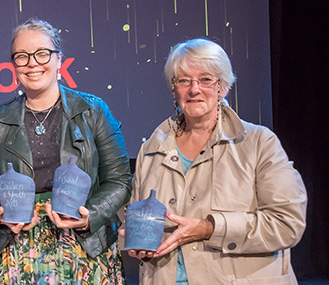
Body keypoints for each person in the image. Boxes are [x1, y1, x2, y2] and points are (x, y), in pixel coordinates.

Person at [124, 38, 307, 284]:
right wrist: (137, 242)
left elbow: (287, 223)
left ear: (223, 86)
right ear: (174, 88)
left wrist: (210, 228)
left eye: (206, 79)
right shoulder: (152, 149)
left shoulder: (259, 143)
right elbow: (136, 217)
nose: (194, 89)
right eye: (184, 80)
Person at [0, 18, 131, 285]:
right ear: (14, 66)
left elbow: (120, 180)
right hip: (19, 248)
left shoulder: (93, 110)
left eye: (42, 54)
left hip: (85, 244)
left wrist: (89, 217)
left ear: (59, 59)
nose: (32, 63)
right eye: (22, 57)